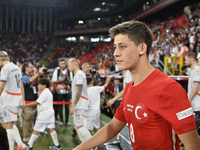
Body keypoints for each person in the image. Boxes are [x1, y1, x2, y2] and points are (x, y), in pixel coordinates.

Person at [73, 20, 200, 150]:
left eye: (122, 46)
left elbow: (193, 146)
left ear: (142, 48)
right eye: (115, 47)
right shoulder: (129, 88)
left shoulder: (168, 88)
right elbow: (112, 128)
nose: (115, 53)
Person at [0, 51, 27, 150]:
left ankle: (10, 148)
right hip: (17, 97)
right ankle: (20, 144)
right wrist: (23, 100)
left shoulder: (5, 69)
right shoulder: (16, 67)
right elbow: (21, 85)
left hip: (10, 98)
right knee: (9, 122)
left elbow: (1, 87)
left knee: (8, 125)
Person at [25, 78, 61, 150]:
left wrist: (25, 105)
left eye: (39, 85)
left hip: (44, 115)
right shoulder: (47, 92)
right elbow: (42, 103)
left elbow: (37, 102)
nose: (38, 86)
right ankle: (57, 146)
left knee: (36, 129)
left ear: (44, 85)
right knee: (51, 129)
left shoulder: (45, 92)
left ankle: (29, 146)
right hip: (49, 114)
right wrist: (35, 110)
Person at [68, 58, 92, 143]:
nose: (68, 67)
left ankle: (95, 145)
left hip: (80, 103)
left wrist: (73, 105)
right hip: (80, 103)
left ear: (75, 64)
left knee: (79, 127)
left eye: (69, 65)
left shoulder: (79, 74)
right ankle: (87, 146)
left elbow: (79, 90)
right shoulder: (78, 74)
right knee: (77, 126)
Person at [21, 62, 43, 143]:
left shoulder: (31, 76)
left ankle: (29, 135)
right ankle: (26, 137)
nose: (32, 68)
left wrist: (38, 75)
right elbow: (30, 80)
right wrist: (38, 73)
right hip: (27, 102)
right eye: (30, 67)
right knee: (27, 120)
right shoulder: (24, 77)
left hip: (33, 102)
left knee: (30, 120)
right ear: (26, 68)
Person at [52, 59, 72, 127]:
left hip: (67, 91)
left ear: (65, 64)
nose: (62, 65)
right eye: (61, 64)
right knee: (59, 107)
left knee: (67, 107)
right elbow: (54, 82)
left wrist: (68, 82)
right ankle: (61, 122)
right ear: (59, 64)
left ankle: (67, 121)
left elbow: (72, 81)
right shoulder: (56, 71)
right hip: (59, 91)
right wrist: (61, 80)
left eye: (63, 63)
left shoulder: (69, 71)